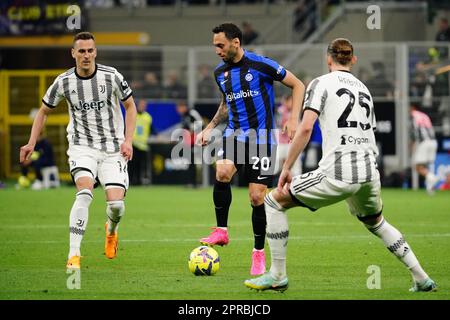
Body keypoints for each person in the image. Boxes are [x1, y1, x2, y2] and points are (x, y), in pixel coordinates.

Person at [244, 38, 437, 292]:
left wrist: (288, 166)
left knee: (273, 202)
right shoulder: (364, 89)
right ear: (353, 59)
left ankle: (277, 275)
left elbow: (305, 128)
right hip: (369, 170)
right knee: (377, 222)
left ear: (328, 58)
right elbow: (371, 131)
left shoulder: (320, 83)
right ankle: (422, 278)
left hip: (339, 171)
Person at [19, 31, 137, 270]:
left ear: (96, 52)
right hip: (82, 147)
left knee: (116, 206)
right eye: (81, 51)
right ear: (73, 53)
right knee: (84, 192)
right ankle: (74, 254)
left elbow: (131, 107)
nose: (86, 55)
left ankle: (111, 230)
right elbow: (43, 111)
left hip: (113, 149)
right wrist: (31, 142)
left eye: (90, 50)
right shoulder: (64, 81)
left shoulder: (111, 76)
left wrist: (128, 140)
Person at [196, 23, 305, 275]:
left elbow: (298, 85)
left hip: (263, 139)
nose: (217, 50)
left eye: (220, 45)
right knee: (222, 172)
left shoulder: (260, 65)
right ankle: (221, 231)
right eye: (214, 46)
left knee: (257, 197)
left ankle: (258, 253)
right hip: (235, 134)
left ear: (236, 42)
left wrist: (293, 118)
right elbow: (226, 104)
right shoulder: (219, 72)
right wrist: (210, 127)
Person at [410, 104, 439, 194]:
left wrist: (412, 145)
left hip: (424, 142)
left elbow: (415, 131)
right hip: (433, 141)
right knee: (427, 166)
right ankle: (430, 189)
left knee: (417, 167)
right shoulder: (425, 116)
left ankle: (433, 178)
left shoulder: (413, 115)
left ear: (413, 108)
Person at [176, 101, 203, 187]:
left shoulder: (192, 113)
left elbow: (200, 123)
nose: (178, 110)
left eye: (179, 108)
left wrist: (193, 130)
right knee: (190, 162)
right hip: (188, 142)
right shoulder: (183, 116)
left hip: (196, 142)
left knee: (196, 162)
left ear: (183, 106)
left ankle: (196, 183)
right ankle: (191, 182)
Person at [275, 95, 301, 177]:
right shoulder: (280, 111)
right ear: (285, 101)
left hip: (292, 142)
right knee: (279, 162)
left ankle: (294, 182)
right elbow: (279, 125)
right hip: (281, 142)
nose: (292, 103)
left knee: (294, 164)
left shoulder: (295, 112)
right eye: (290, 101)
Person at [128, 99, 152, 185]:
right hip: (133, 144)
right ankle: (130, 180)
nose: (143, 107)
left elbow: (151, 129)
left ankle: (139, 181)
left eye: (144, 105)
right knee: (131, 165)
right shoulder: (133, 114)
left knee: (141, 165)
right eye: (141, 105)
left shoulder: (148, 117)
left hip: (143, 145)